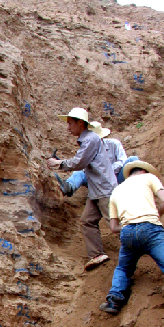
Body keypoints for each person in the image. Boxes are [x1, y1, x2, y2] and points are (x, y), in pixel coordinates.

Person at [100, 161, 164, 314]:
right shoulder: (149, 178)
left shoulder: (116, 191)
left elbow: (113, 228)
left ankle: (113, 302)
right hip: (151, 229)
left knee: (123, 268)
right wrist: (155, 215)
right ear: (144, 171)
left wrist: (128, 226)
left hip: (127, 233)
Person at [47, 107, 117, 271]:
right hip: (96, 191)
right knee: (87, 221)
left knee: (115, 223)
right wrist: (62, 163)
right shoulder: (89, 140)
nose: (68, 127)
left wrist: (58, 163)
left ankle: (138, 245)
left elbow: (79, 162)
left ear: (80, 123)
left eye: (70, 123)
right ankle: (97, 254)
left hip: (104, 190)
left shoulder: (91, 139)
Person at [57, 123, 134, 195]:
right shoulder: (88, 148)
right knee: (79, 173)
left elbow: (122, 161)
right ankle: (69, 187)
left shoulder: (114, 144)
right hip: (97, 181)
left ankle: (137, 187)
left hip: (116, 178)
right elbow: (81, 165)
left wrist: (107, 171)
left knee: (132, 160)